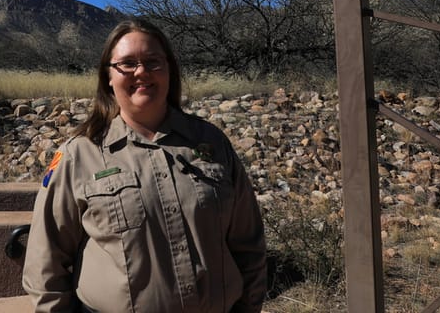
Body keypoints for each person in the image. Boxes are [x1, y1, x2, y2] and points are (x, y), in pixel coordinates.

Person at [22, 19, 268, 312]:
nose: (141, 72)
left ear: (169, 70)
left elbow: (249, 244)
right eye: (127, 64)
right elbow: (44, 264)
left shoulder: (212, 143)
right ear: (108, 78)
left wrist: (249, 306)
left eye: (153, 62)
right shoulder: (79, 155)